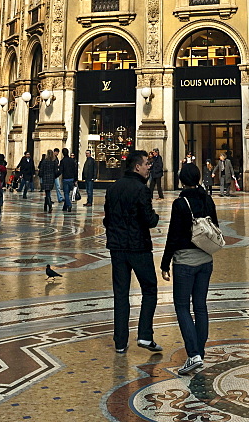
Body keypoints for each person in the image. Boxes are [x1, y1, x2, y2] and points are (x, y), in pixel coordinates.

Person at [161, 163, 218, 376]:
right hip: (206, 259)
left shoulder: (180, 203)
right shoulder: (207, 199)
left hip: (185, 261)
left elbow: (173, 236)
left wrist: (165, 263)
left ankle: (193, 354)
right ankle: (199, 353)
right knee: (201, 306)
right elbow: (215, 227)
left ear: (182, 179)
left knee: (182, 306)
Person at [103, 150, 161, 355]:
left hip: (117, 248)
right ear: (137, 166)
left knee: (120, 293)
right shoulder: (141, 189)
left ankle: (120, 341)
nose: (149, 167)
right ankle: (145, 333)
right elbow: (148, 219)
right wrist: (156, 217)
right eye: (146, 164)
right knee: (150, 288)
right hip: (138, 247)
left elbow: (106, 219)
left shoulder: (113, 188)